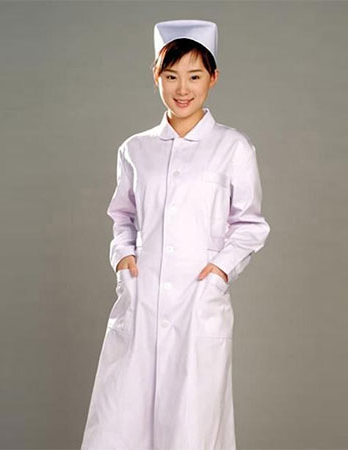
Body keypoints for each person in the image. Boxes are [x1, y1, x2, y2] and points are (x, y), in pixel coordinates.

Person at [81, 19, 270, 450]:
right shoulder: (135, 149)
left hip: (197, 301)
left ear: (213, 78)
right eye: (171, 76)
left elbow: (250, 224)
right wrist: (123, 258)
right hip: (142, 300)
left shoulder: (233, 148)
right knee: (119, 422)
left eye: (194, 76)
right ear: (156, 75)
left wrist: (218, 273)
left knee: (190, 426)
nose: (182, 89)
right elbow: (122, 216)